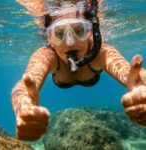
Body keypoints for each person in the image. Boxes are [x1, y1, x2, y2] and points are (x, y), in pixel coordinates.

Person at [12, 0, 146, 141]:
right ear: (49, 38)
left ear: (90, 32)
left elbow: (130, 72)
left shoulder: (100, 52)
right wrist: (23, 106)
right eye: (59, 33)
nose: (70, 42)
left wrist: (141, 88)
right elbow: (23, 86)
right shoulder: (47, 55)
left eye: (79, 30)